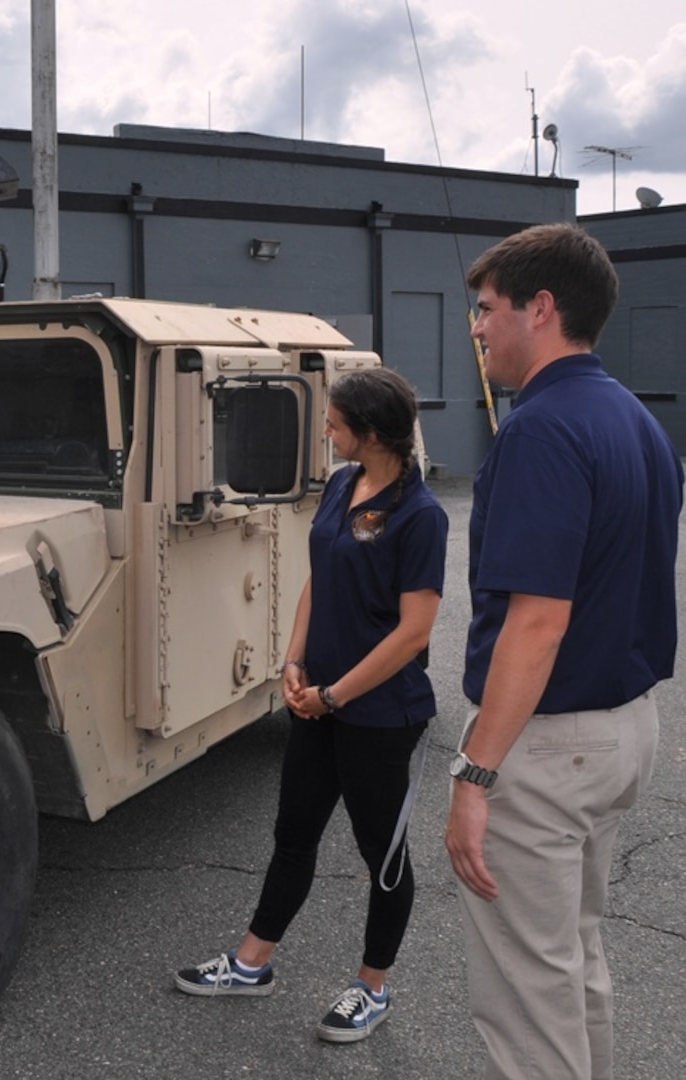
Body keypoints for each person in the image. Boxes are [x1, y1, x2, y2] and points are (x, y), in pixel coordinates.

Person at [447, 223, 681, 1079]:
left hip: (547, 747)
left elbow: (535, 623)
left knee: (525, 1004)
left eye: (485, 309)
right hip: (623, 732)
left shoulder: (539, 431)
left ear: (539, 309)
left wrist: (474, 776)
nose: (475, 327)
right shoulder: (636, 421)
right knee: (572, 963)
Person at [175, 367, 448, 1044]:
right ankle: (249, 964)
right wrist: (292, 663)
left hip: (380, 714)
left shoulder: (420, 516)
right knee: (292, 835)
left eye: (333, 423)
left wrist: (334, 694)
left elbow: (413, 632)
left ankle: (371, 987)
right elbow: (316, 582)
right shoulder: (339, 487)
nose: (324, 433)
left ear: (372, 432)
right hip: (316, 698)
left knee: (380, 854)